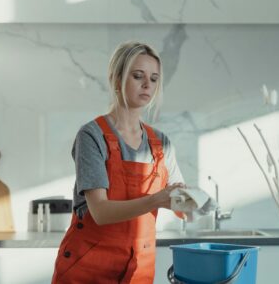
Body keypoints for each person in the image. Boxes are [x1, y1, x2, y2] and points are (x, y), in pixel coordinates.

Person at [52, 41, 186, 284]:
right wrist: (157, 199)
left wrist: (193, 203)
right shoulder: (92, 136)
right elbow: (100, 212)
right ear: (116, 79)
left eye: (154, 79)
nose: (148, 85)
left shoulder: (161, 144)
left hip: (138, 270)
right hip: (87, 270)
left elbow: (179, 201)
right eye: (138, 76)